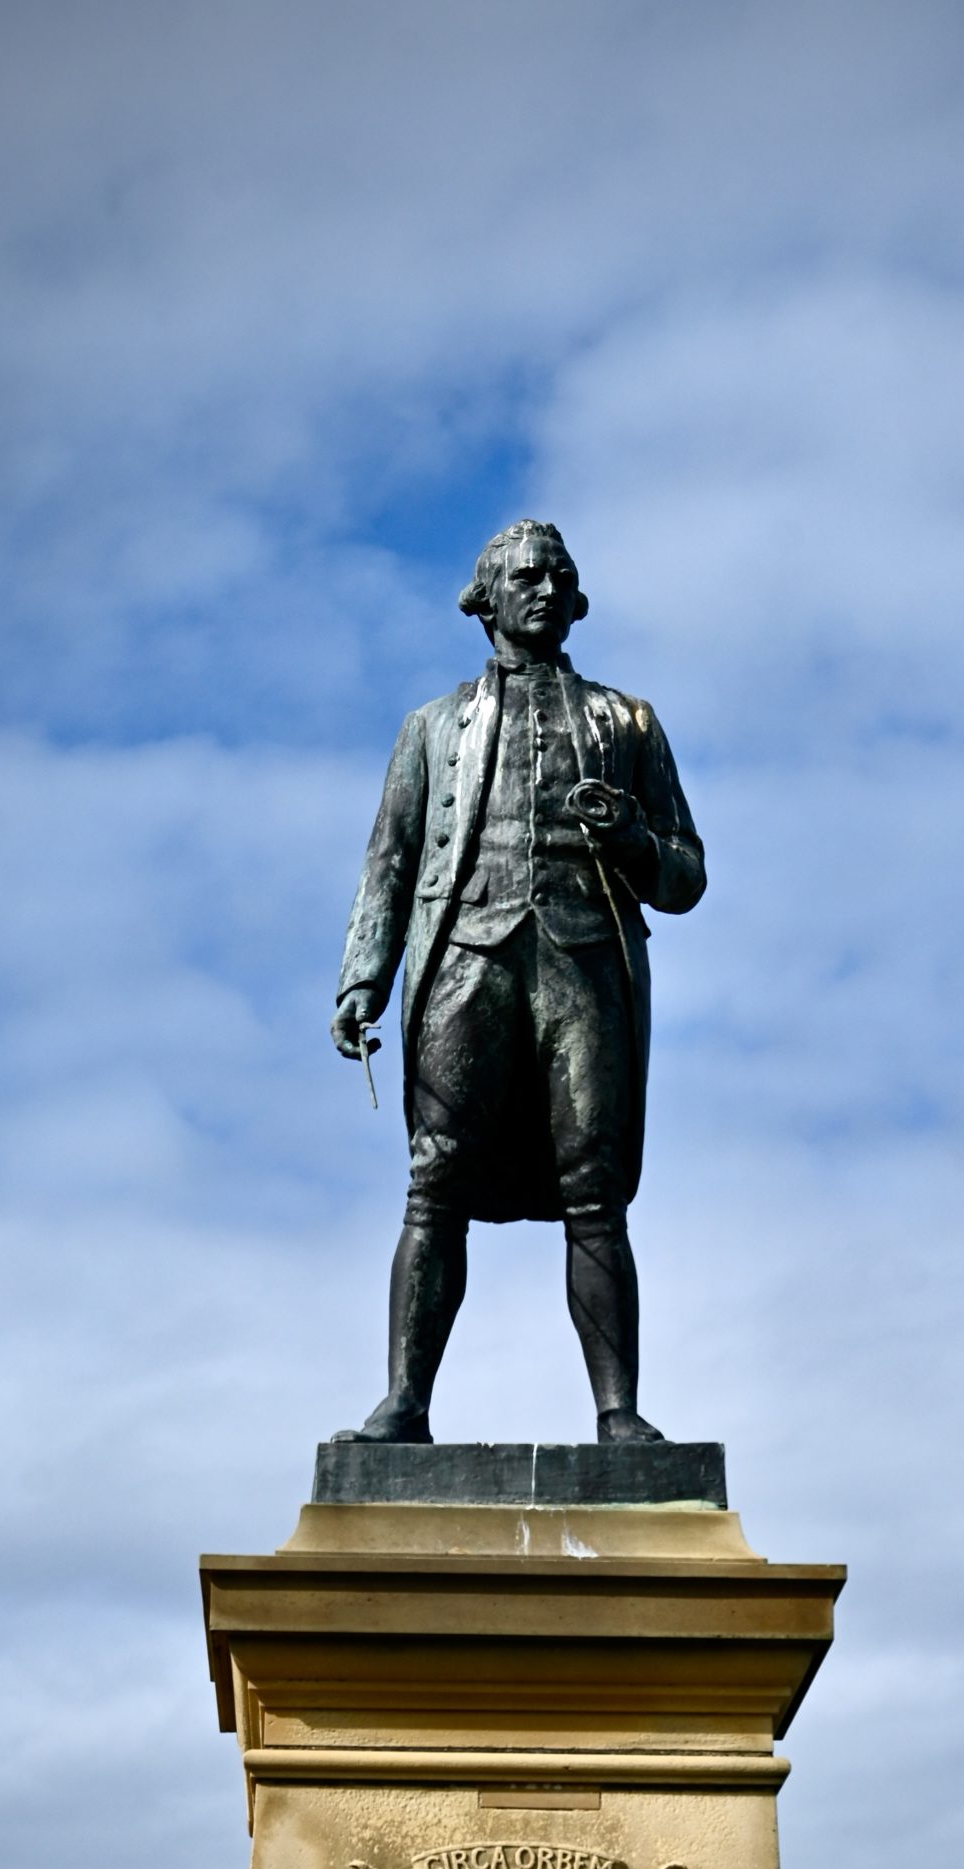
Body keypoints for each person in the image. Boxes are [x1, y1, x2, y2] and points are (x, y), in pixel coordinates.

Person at [330, 519, 705, 1444]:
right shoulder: (431, 727)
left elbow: (685, 876)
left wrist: (630, 839)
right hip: (467, 958)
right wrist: (361, 980)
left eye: (559, 577)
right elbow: (389, 862)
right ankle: (405, 1403)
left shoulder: (627, 721)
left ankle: (617, 1414)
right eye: (526, 576)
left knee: (596, 1193)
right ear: (485, 599)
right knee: (435, 1183)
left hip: (585, 963)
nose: (544, 589)